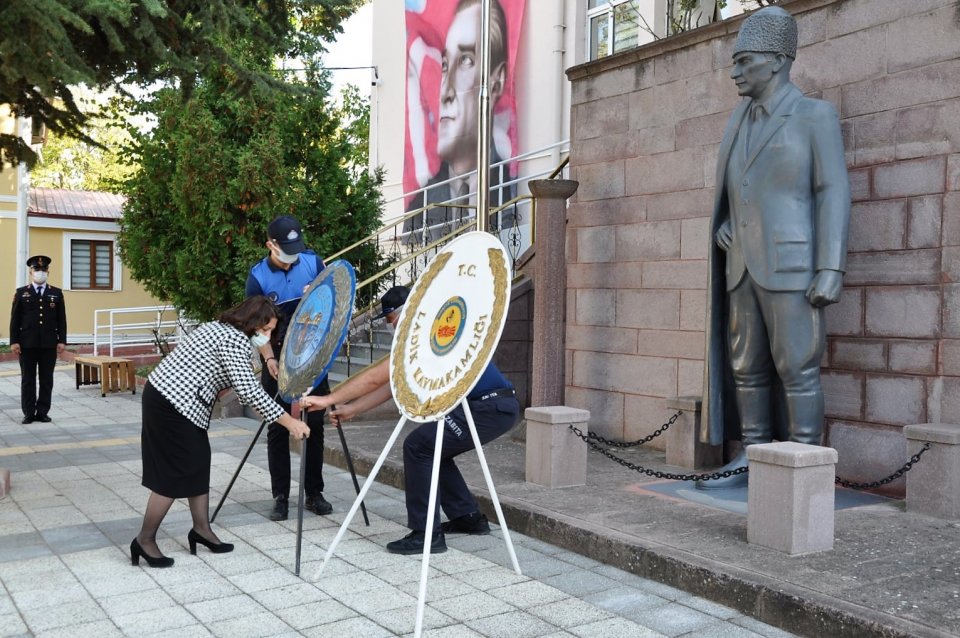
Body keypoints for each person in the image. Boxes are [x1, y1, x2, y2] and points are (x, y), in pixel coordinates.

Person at [699, 6, 850, 489]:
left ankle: (803, 461)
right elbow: (735, 188)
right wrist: (723, 225)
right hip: (741, 263)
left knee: (798, 366)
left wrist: (832, 267)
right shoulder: (738, 121)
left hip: (793, 264)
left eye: (745, 61)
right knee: (747, 367)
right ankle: (752, 456)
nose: (735, 71)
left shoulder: (813, 115)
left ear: (779, 59)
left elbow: (833, 191)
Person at [301, 285, 520, 554]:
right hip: (492, 404)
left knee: (418, 447)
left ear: (406, 313)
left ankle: (426, 534)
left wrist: (326, 399)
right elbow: (394, 383)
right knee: (432, 447)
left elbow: (374, 377)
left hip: (487, 405)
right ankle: (468, 518)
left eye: (392, 320)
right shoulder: (430, 330)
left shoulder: (426, 332)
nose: (392, 328)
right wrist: (352, 409)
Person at [132, 296, 311, 568]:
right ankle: (144, 540)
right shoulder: (233, 339)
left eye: (271, 331)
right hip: (171, 403)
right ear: (251, 323)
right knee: (174, 470)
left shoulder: (223, 328)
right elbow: (248, 390)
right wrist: (290, 422)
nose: (267, 336)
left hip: (175, 400)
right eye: (264, 330)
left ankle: (201, 529)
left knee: (199, 460)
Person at [246, 215, 333, 520]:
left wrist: (318, 294)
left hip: (313, 353)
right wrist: (268, 358)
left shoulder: (312, 262)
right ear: (271, 244)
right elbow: (257, 328)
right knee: (277, 423)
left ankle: (314, 492)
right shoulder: (258, 277)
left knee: (317, 422)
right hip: (278, 356)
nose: (293, 254)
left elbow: (332, 301)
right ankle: (280, 495)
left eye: (296, 247)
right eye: (286, 248)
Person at [405, 0, 514, 237]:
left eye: (466, 60)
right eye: (445, 65)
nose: (446, 91)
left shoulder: (510, 187)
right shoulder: (419, 206)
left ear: (496, 82)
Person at [9, 255, 67, 424]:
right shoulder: (21, 293)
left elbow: (61, 319)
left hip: (49, 344)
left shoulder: (56, 293)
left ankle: (42, 411)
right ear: (30, 272)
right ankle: (28, 412)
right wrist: (14, 341)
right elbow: (15, 319)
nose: (40, 273)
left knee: (46, 379)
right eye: (37, 270)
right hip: (27, 344)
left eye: (43, 270)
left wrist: (62, 340)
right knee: (28, 379)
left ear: (48, 271)